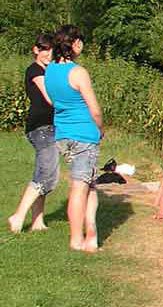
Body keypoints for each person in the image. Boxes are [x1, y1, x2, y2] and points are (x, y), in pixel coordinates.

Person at [45, 25, 103, 253]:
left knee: (89, 184)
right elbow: (95, 110)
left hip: (63, 134)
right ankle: (76, 239)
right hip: (84, 135)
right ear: (76, 43)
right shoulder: (78, 72)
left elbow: (53, 100)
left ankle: (92, 234)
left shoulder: (49, 70)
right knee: (80, 187)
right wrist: (100, 128)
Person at [7, 33, 57, 234]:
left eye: (51, 50)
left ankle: (37, 221)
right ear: (36, 50)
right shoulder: (35, 70)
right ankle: (18, 215)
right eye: (44, 49)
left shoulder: (49, 70)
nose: (48, 54)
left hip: (49, 127)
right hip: (41, 127)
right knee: (48, 175)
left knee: (43, 172)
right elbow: (50, 97)